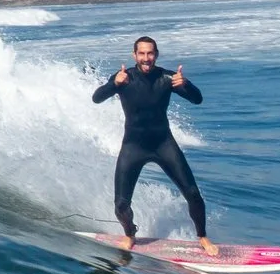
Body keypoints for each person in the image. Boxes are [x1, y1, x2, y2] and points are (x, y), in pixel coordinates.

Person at [91, 35, 218, 255]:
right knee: (121, 205)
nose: (146, 58)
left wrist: (186, 85)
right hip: (133, 147)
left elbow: (197, 100)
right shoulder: (124, 78)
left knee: (193, 194)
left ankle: (203, 237)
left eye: (150, 53)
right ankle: (130, 233)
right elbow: (97, 98)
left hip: (163, 144)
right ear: (134, 55)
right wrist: (114, 84)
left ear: (156, 55)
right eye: (142, 53)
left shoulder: (168, 78)